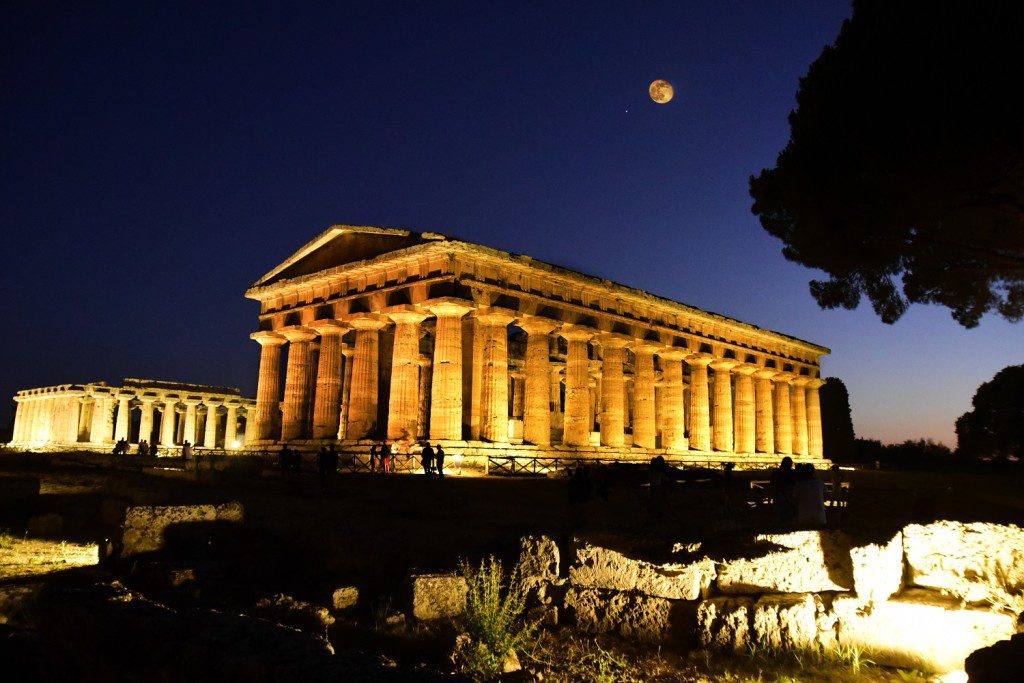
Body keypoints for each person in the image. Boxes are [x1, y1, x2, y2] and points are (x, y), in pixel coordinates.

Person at [770, 456, 796, 525]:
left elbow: (772, 486)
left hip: (779, 498)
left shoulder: (776, 474)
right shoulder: (792, 474)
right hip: (788, 499)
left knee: (779, 520)